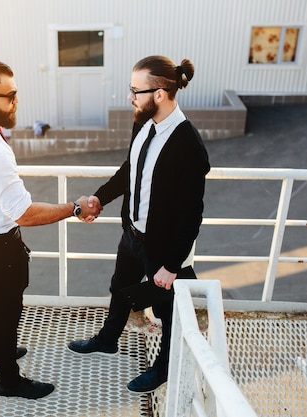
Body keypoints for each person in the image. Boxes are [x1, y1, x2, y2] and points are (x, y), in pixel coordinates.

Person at [0, 60, 100, 400]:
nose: (16, 102)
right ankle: (10, 382)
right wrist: (74, 207)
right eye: (10, 95)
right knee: (6, 314)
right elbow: (24, 214)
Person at [68, 55, 210, 393]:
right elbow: (129, 171)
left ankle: (163, 368)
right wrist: (99, 199)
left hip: (161, 246)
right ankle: (107, 340)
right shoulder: (143, 122)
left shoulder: (188, 145)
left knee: (166, 313)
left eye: (136, 90)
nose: (130, 97)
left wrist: (172, 265)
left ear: (160, 93)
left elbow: (192, 213)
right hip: (132, 234)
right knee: (119, 287)